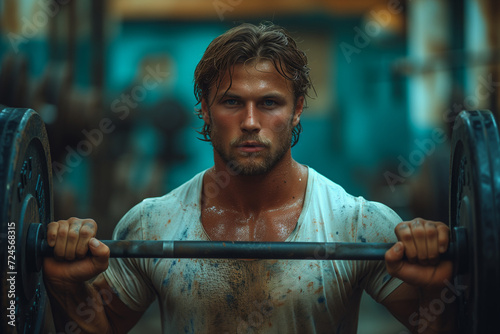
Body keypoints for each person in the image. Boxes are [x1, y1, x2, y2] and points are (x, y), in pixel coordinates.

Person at [43, 23, 455, 333]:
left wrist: (437, 288)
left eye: (270, 103)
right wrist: (66, 287)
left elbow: (435, 325)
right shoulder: (153, 222)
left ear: (297, 111)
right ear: (204, 110)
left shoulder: (356, 223)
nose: (251, 122)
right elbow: (99, 326)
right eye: (232, 102)